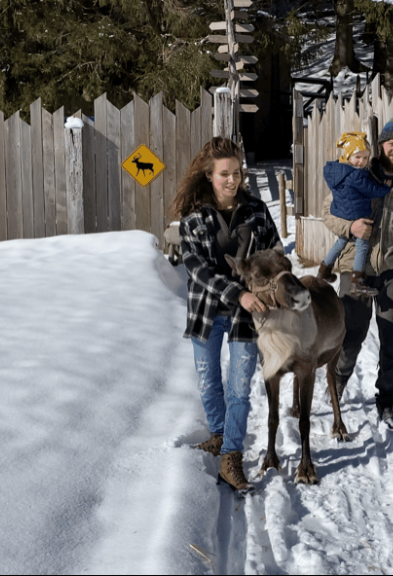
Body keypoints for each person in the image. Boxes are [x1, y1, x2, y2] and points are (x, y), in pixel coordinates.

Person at [170, 136, 282, 493]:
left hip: (247, 316)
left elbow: (275, 252)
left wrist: (272, 278)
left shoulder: (257, 212)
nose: (232, 180)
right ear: (208, 176)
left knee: (239, 389)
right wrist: (240, 293)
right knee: (208, 381)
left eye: (236, 173)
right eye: (224, 174)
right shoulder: (193, 220)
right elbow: (198, 269)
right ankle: (219, 435)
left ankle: (231, 456)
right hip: (206, 310)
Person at [321, 114, 393, 430]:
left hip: (391, 272)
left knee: (391, 338)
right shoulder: (357, 169)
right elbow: (327, 212)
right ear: (381, 144)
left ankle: (386, 402)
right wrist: (351, 226)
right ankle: (338, 383)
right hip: (352, 268)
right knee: (350, 334)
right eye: (390, 142)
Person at [318, 131, 392, 297]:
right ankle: (357, 281)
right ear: (347, 155)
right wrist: (386, 187)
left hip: (344, 212)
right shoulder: (356, 175)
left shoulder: (336, 171)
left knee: (340, 241)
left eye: (365, 158)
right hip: (357, 215)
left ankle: (324, 269)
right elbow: (373, 190)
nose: (362, 162)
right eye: (357, 157)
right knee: (362, 245)